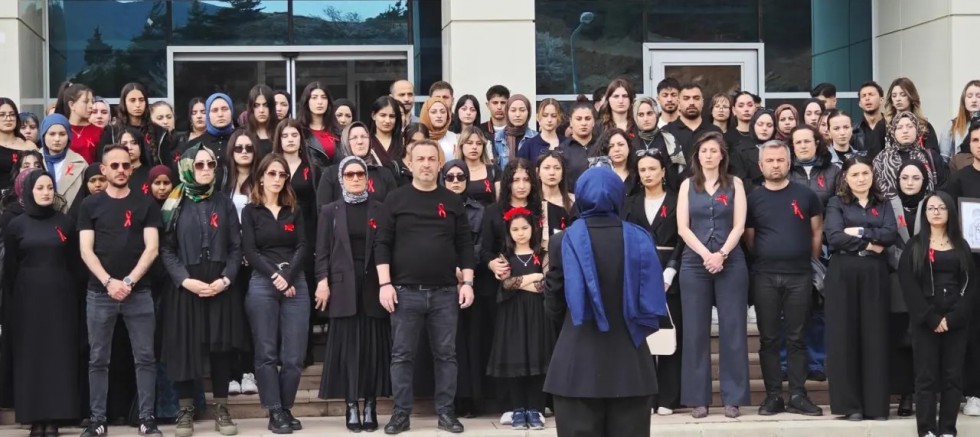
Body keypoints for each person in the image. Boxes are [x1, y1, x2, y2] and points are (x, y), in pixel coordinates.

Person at [543, 166, 666, 437]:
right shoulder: (642, 239)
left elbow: (553, 307)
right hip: (632, 368)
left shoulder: (562, 241)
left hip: (576, 366)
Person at [375, 139, 475, 435]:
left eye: (432, 159)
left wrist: (468, 282)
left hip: (445, 293)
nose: (427, 164)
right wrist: (384, 284)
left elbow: (465, 245)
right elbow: (382, 243)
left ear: (440, 163)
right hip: (404, 292)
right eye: (420, 159)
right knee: (402, 356)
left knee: (446, 356)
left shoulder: (452, 200)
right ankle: (400, 414)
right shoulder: (396, 199)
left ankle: (446, 413)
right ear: (409, 163)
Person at [158, 144, 244, 437]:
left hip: (220, 284)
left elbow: (236, 247)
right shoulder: (174, 203)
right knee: (185, 347)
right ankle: (185, 410)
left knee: (221, 347)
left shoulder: (224, 203)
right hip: (186, 286)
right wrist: (184, 280)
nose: (206, 170)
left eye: (210, 164)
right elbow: (166, 249)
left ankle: (221, 408)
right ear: (186, 168)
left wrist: (226, 279)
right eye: (199, 165)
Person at [77, 144, 162, 437]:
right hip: (99, 293)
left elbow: (152, 249)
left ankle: (147, 418)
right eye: (114, 166)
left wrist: (128, 282)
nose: (121, 170)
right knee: (98, 359)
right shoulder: (90, 205)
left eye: (126, 165)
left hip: (139, 293)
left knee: (145, 358)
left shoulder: (146, 204)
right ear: (103, 169)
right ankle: (97, 420)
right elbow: (86, 251)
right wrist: (108, 282)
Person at [744, 141, 825, 416]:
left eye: (780, 160)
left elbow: (816, 232)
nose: (775, 165)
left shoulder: (806, 195)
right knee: (768, 338)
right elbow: (750, 238)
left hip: (800, 276)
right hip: (764, 276)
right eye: (770, 161)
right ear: (761, 165)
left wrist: (806, 259)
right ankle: (773, 396)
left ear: (789, 163)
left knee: (797, 337)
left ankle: (798, 395)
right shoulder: (753, 198)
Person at [676, 131, 750, 418]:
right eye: (704, 151)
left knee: (733, 329)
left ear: (722, 155)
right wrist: (706, 255)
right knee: (695, 331)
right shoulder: (687, 185)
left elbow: (739, 226)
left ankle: (733, 398)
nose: (708, 155)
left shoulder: (735, 184)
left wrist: (721, 254)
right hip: (694, 264)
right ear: (697, 155)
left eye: (713, 151)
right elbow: (683, 228)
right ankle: (698, 399)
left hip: (731, 262)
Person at [315, 156, 390, 432]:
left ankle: (370, 404)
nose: (356, 178)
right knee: (347, 348)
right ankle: (350, 405)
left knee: (372, 348)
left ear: (367, 178)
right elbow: (322, 250)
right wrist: (322, 281)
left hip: (373, 284)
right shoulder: (329, 211)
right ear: (341, 179)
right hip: (341, 285)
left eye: (360, 174)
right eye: (350, 175)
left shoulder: (380, 209)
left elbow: (386, 247)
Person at [2, 170, 80, 437]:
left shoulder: (66, 223)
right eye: (40, 188)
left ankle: (55, 418)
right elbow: (10, 268)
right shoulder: (16, 225)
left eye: (49, 187)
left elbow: (74, 263)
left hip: (61, 299)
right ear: (29, 191)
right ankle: (34, 419)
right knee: (31, 357)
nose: (46, 192)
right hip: (28, 300)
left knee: (58, 355)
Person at [824, 156, 897, 421]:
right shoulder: (836, 203)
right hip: (843, 272)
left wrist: (858, 232)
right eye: (854, 174)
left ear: (872, 174)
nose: (861, 179)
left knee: (875, 335)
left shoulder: (883, 203)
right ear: (845, 177)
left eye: (865, 173)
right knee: (845, 337)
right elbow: (834, 237)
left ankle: (876, 405)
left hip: (875, 273)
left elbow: (890, 234)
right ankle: (851, 405)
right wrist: (869, 241)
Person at [898, 191, 977, 437]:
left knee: (953, 377)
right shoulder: (915, 245)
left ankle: (947, 430)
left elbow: (971, 285)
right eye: (931, 208)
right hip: (926, 320)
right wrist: (930, 317)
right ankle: (927, 430)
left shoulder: (961, 245)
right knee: (926, 377)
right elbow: (908, 284)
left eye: (941, 208)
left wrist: (954, 317)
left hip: (956, 320)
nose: (936, 212)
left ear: (950, 212)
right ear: (925, 213)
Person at [240, 154, 309, 434]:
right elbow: (250, 250)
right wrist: (276, 276)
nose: (277, 179)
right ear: (260, 178)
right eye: (272, 174)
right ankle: (274, 410)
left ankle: (285, 406)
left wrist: (288, 276)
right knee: (266, 352)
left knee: (294, 356)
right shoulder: (251, 211)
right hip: (262, 282)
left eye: (282, 175)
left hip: (295, 282)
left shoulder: (294, 209)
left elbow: (303, 246)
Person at [623, 148, 683, 415]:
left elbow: (683, 238)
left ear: (663, 172)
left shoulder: (677, 200)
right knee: (642, 335)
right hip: (638, 274)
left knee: (672, 331)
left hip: (671, 272)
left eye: (652, 169)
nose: (648, 174)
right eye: (643, 170)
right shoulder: (630, 203)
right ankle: (645, 396)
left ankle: (668, 397)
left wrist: (671, 270)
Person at [486, 206, 555, 431]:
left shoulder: (542, 254)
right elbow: (506, 284)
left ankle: (536, 408)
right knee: (514, 359)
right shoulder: (505, 256)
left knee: (537, 357)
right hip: (512, 313)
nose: (520, 233)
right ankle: (518, 408)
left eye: (524, 228)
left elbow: (545, 284)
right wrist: (533, 276)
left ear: (532, 228)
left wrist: (521, 282)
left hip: (537, 313)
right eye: (515, 229)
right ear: (509, 231)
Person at [439, 160, 489, 418]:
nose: (456, 181)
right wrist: (452, 267)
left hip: (473, 280)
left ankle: (471, 398)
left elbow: (481, 244)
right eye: (450, 177)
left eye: (461, 177)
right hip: (442, 279)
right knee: (448, 342)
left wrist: (465, 269)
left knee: (471, 341)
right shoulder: (434, 207)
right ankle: (450, 399)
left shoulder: (479, 210)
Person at [887, 160, 928, 418]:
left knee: (924, 338)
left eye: (916, 178)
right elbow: (884, 238)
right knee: (902, 339)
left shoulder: (933, 204)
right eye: (905, 178)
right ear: (897, 180)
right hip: (897, 280)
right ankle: (905, 394)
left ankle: (925, 392)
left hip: (927, 278)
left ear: (924, 181)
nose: (910, 182)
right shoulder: (887, 205)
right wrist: (905, 262)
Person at [317, 121, 397, 208]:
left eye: (364, 137)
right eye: (354, 138)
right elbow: (323, 210)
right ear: (346, 142)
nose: (360, 142)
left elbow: (393, 208)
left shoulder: (384, 173)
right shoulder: (331, 174)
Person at [874, 111, 944, 198]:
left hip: (925, 205)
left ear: (917, 130)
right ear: (893, 132)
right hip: (890, 205)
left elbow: (943, 188)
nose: (905, 131)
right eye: (899, 127)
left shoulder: (931, 157)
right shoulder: (881, 159)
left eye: (910, 126)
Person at [38, 113, 89, 213]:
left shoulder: (80, 163)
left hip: (71, 218)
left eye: (62, 134)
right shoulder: (34, 160)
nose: (57, 139)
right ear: (43, 135)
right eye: (52, 134)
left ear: (69, 136)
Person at [632, 96, 684, 190]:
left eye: (649, 113)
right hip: (638, 195)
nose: (646, 119)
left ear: (656, 114)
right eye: (641, 115)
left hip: (668, 193)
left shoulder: (669, 139)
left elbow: (679, 172)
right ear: (636, 118)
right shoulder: (631, 143)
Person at [663, 84, 723, 160]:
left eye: (696, 98)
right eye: (686, 98)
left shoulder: (714, 132)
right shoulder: (667, 132)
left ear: (702, 102)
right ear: (678, 103)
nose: (691, 102)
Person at [883, 77, 941, 155]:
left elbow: (933, 155)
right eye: (894, 96)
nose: (898, 99)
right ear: (891, 100)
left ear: (911, 97)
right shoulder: (885, 126)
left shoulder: (924, 126)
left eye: (903, 95)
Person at [55, 82, 102, 164]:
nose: (91, 106)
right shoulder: (60, 131)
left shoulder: (99, 132)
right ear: (72, 105)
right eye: (86, 102)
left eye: (92, 102)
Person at [557, 97, 598, 189]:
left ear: (594, 121)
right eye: (578, 119)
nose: (583, 123)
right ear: (571, 122)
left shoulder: (603, 147)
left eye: (587, 118)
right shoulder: (561, 151)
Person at [0, 99, 39, 193]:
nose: (8, 118)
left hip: (25, 196)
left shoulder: (29, 146)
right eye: (2, 115)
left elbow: (39, 175)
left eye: (12, 114)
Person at [297, 82, 341, 165]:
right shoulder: (299, 131)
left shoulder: (338, 131)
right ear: (307, 101)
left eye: (324, 97)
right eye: (314, 98)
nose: (320, 102)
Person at [731, 108, 775, 188]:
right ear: (753, 125)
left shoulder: (780, 148)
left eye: (769, 125)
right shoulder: (740, 149)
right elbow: (738, 178)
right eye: (760, 124)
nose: (764, 128)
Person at [493, 95, 538, 169]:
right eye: (513, 110)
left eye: (522, 110)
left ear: (528, 112)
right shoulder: (497, 138)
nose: (518, 115)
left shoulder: (536, 138)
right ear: (507, 112)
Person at [456, 126, 498, 207]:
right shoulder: (453, 173)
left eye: (479, 143)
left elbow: (500, 201)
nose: (474, 147)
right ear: (461, 145)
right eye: (469, 143)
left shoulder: (494, 170)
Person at [589, 127, 638, 194]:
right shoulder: (598, 175)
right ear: (605, 149)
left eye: (621, 144)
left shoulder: (638, 172)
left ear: (629, 147)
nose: (616, 149)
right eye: (611, 146)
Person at [368, 96, 405, 168]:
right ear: (373, 115)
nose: (387, 121)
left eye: (392, 116)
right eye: (383, 115)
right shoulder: (366, 141)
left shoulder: (404, 141)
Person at [419, 97, 458, 162]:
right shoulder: (418, 137)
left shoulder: (456, 138)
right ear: (426, 115)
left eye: (443, 112)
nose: (439, 116)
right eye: (433, 112)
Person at [246, 85, 280, 156]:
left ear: (271, 107)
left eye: (265, 105)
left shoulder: (280, 133)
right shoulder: (244, 134)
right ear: (251, 108)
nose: (261, 110)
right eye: (256, 105)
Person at [855, 81, 886, 159]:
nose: (867, 98)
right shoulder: (854, 131)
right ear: (859, 103)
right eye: (863, 96)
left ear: (881, 100)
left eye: (871, 94)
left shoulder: (892, 128)